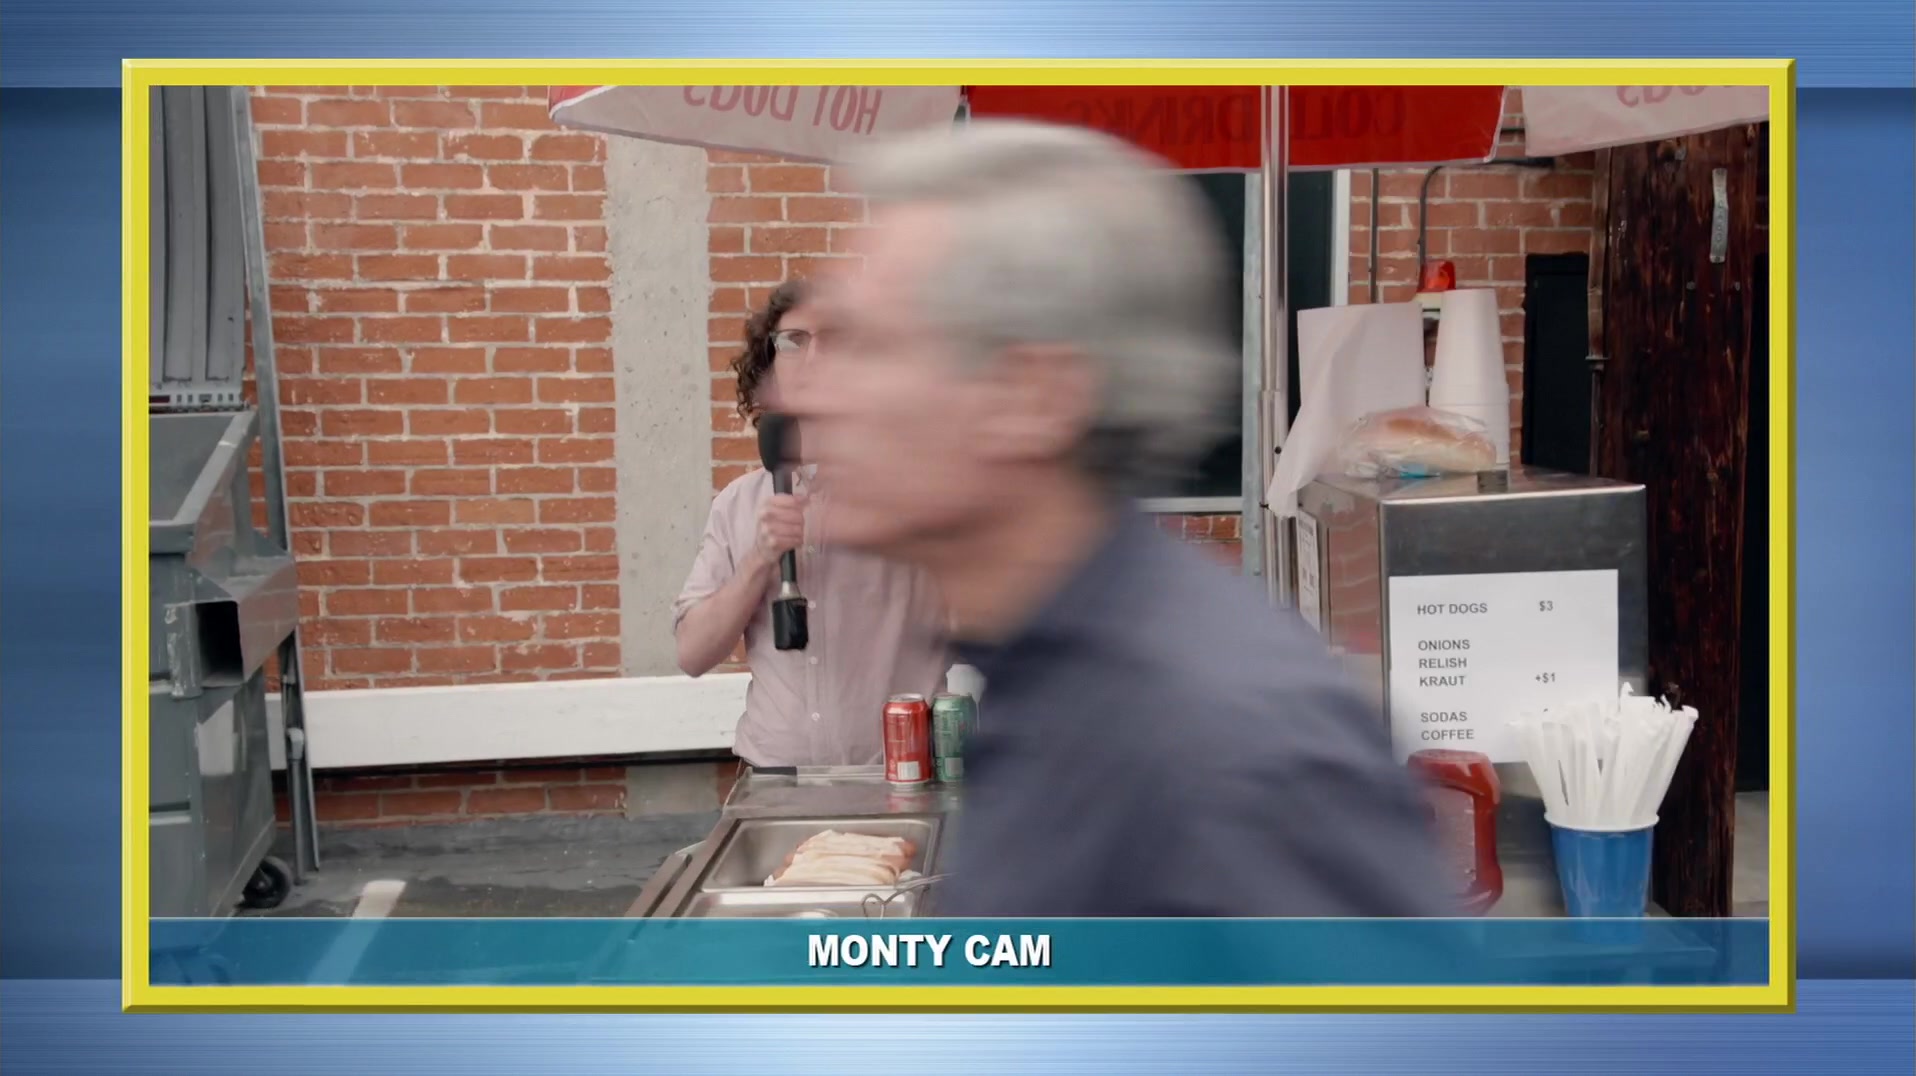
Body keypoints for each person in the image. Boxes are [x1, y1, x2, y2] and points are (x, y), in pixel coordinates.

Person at [783, 121, 1449, 916]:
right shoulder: (1054, 688)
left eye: (866, 345)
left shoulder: (1227, 750)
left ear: (1031, 396)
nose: (803, 393)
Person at [673, 280, 951, 769]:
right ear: (770, 366)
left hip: (898, 776)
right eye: (794, 341)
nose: (815, 357)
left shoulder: (919, 491)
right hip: (774, 777)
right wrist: (760, 559)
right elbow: (693, 653)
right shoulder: (738, 504)